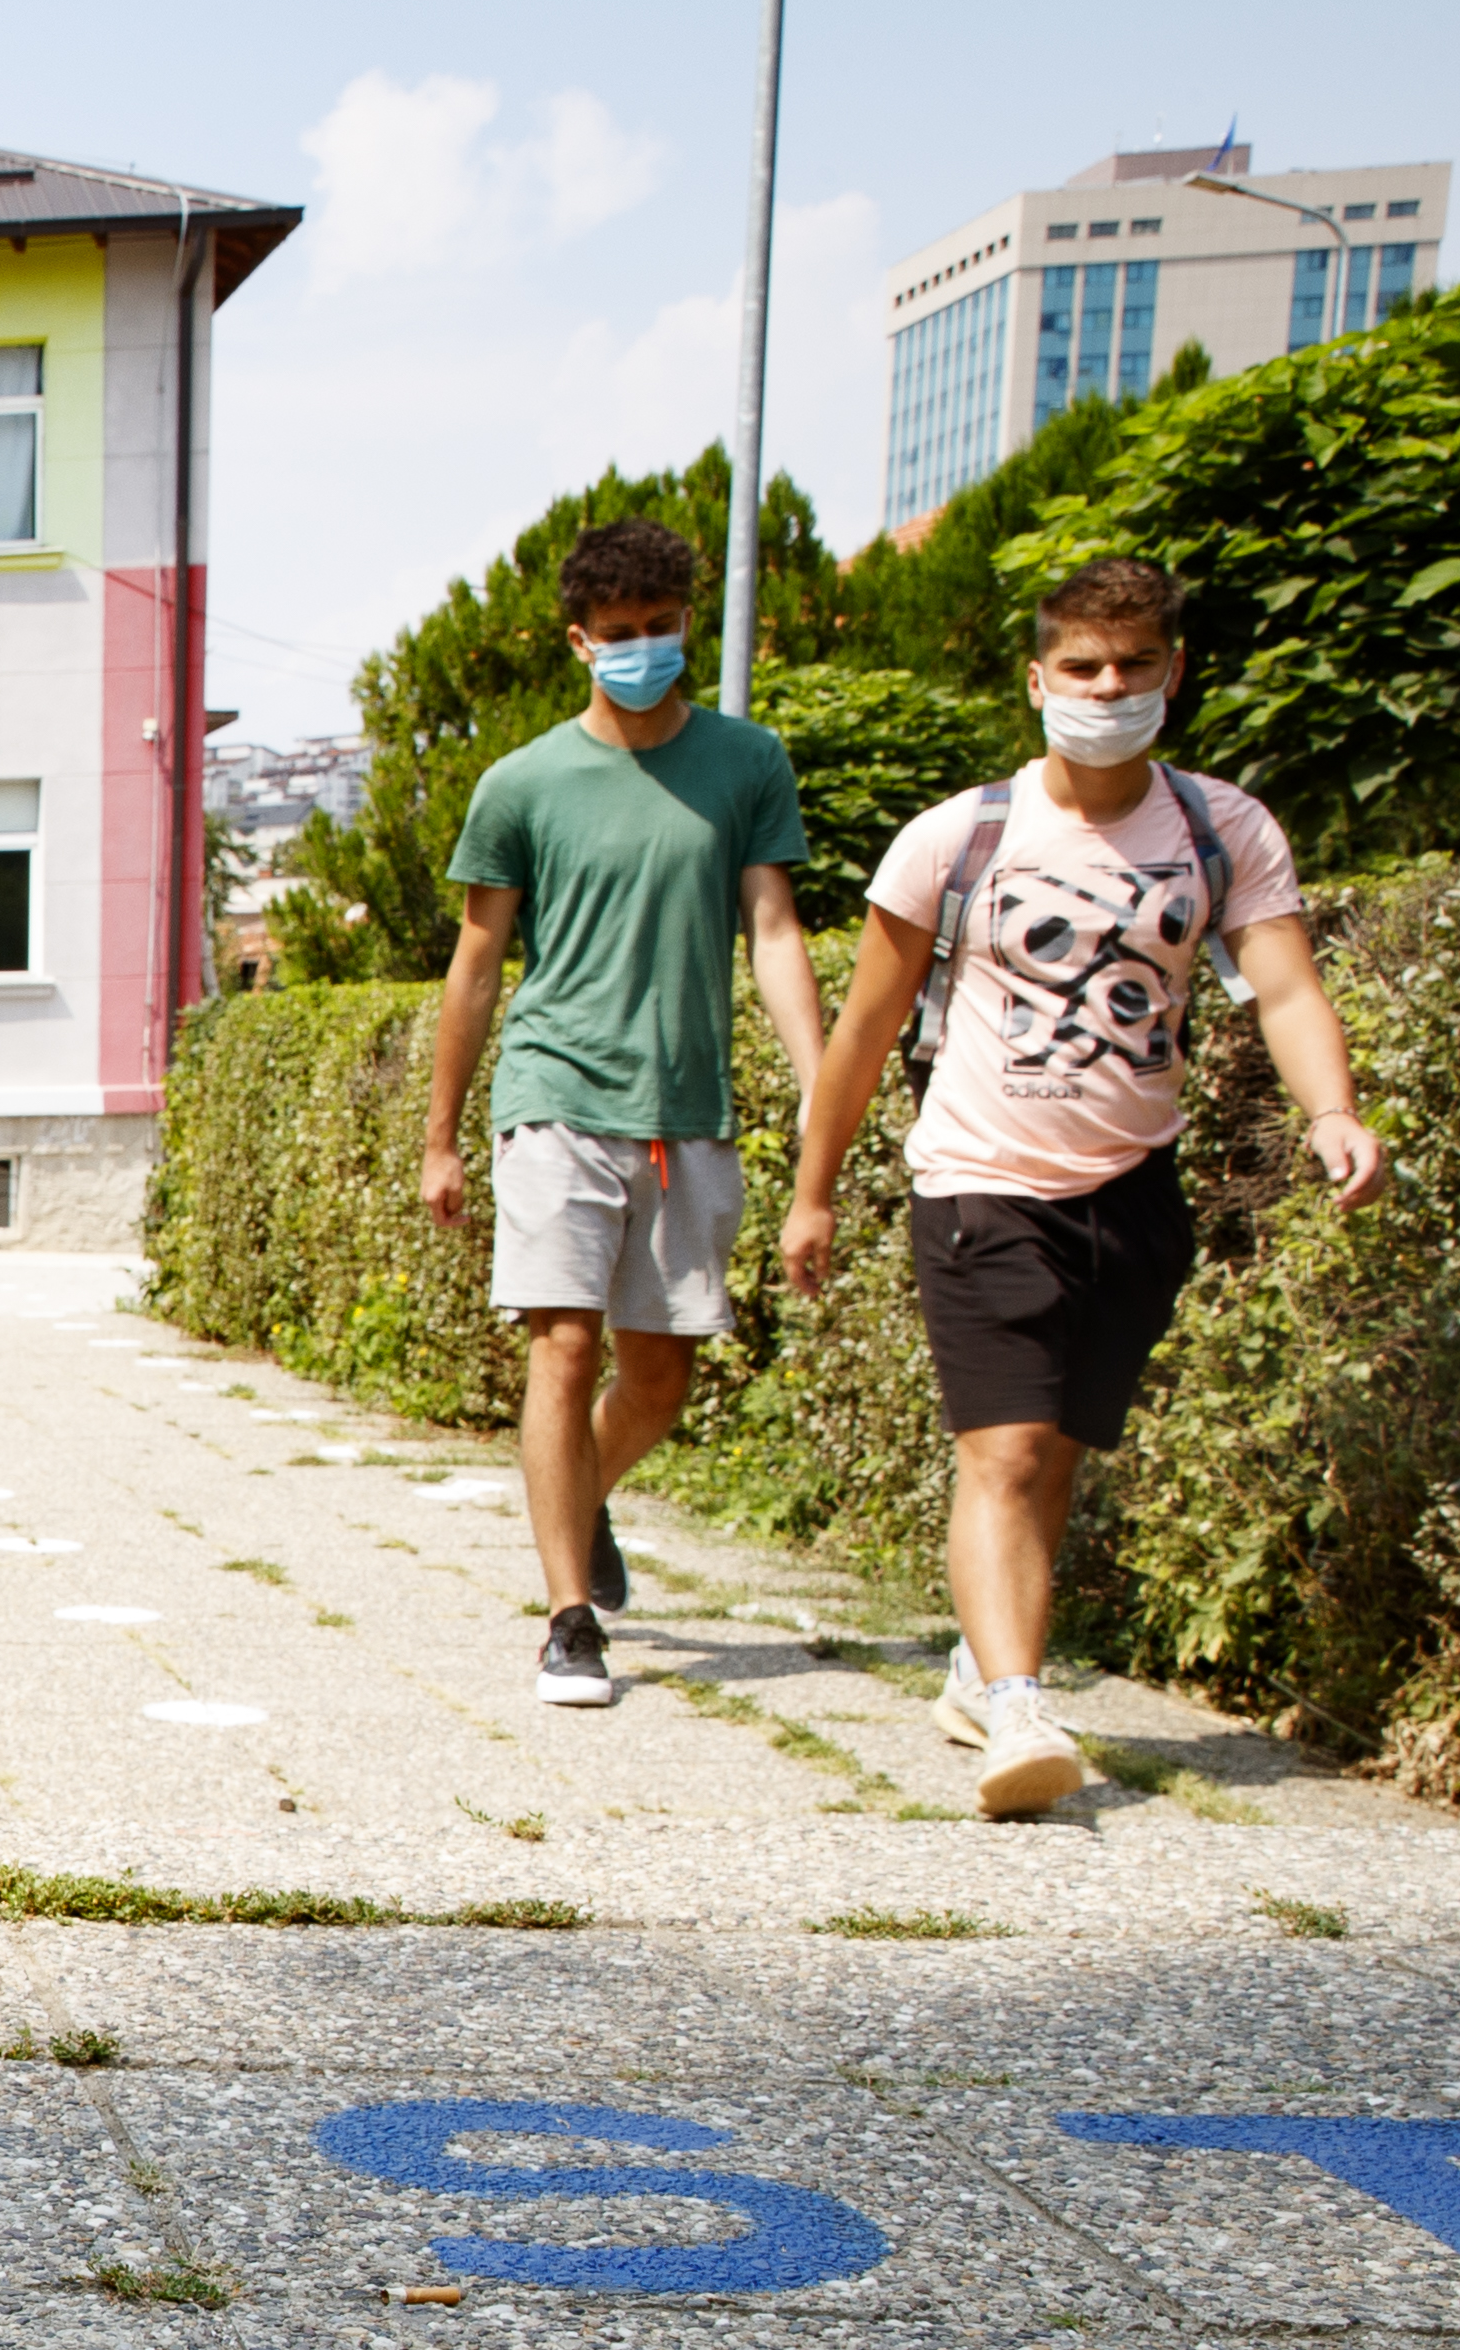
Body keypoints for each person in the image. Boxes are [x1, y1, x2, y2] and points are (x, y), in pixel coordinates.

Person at [785, 553, 1379, 1819]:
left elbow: (1280, 988)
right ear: (1036, 677)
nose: (1107, 688)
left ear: (1172, 673)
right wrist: (813, 1189)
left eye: (1132, 666)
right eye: (1082, 667)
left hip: (1130, 1185)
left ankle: (975, 1667)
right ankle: (1014, 1708)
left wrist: (1331, 1111)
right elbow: (863, 1027)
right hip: (977, 1178)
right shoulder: (958, 837)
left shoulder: (1224, 830)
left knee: (1052, 1449)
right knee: (998, 1448)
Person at [420, 514, 825, 1710]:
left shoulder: (745, 762)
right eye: (618, 634)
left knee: (657, 1379)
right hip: (552, 1092)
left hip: (685, 1104)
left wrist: (820, 1081)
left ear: (682, 626)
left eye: (659, 629)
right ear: (577, 643)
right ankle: (566, 1618)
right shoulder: (523, 783)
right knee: (562, 1344)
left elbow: (772, 930)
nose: (641, 648)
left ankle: (579, 1499)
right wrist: (440, 1135)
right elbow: (477, 965)